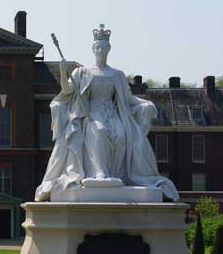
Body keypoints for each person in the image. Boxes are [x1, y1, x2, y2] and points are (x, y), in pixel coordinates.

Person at [35, 24, 178, 202]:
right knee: (100, 131)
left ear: (108, 50)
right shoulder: (82, 72)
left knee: (120, 134)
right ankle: (99, 173)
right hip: (91, 114)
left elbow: (128, 99)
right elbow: (66, 90)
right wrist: (64, 72)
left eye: (104, 47)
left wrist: (146, 104)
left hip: (112, 113)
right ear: (93, 49)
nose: (100, 50)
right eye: (97, 47)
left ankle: (117, 175)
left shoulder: (117, 74)